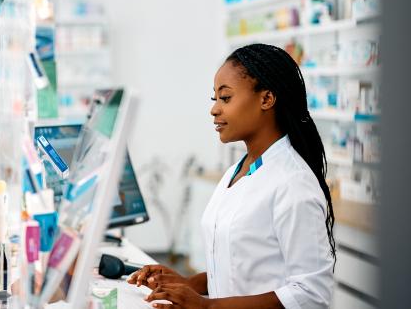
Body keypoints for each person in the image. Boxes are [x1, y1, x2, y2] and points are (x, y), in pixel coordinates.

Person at [128, 44, 334, 309]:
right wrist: (190, 284)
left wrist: (207, 306)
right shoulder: (238, 171)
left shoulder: (293, 183)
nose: (214, 109)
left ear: (266, 99)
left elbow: (311, 294)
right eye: (214, 99)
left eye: (225, 98)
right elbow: (240, 267)